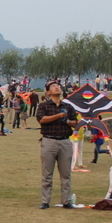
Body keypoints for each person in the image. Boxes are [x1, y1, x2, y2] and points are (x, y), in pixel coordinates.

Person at [36, 80, 77, 209]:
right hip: (49, 141)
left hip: (65, 141)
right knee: (47, 173)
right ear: (48, 92)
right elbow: (41, 119)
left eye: (58, 86)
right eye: (54, 86)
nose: (57, 88)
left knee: (66, 174)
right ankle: (45, 201)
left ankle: (66, 200)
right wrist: (58, 115)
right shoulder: (44, 106)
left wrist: (67, 121)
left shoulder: (68, 107)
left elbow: (76, 123)